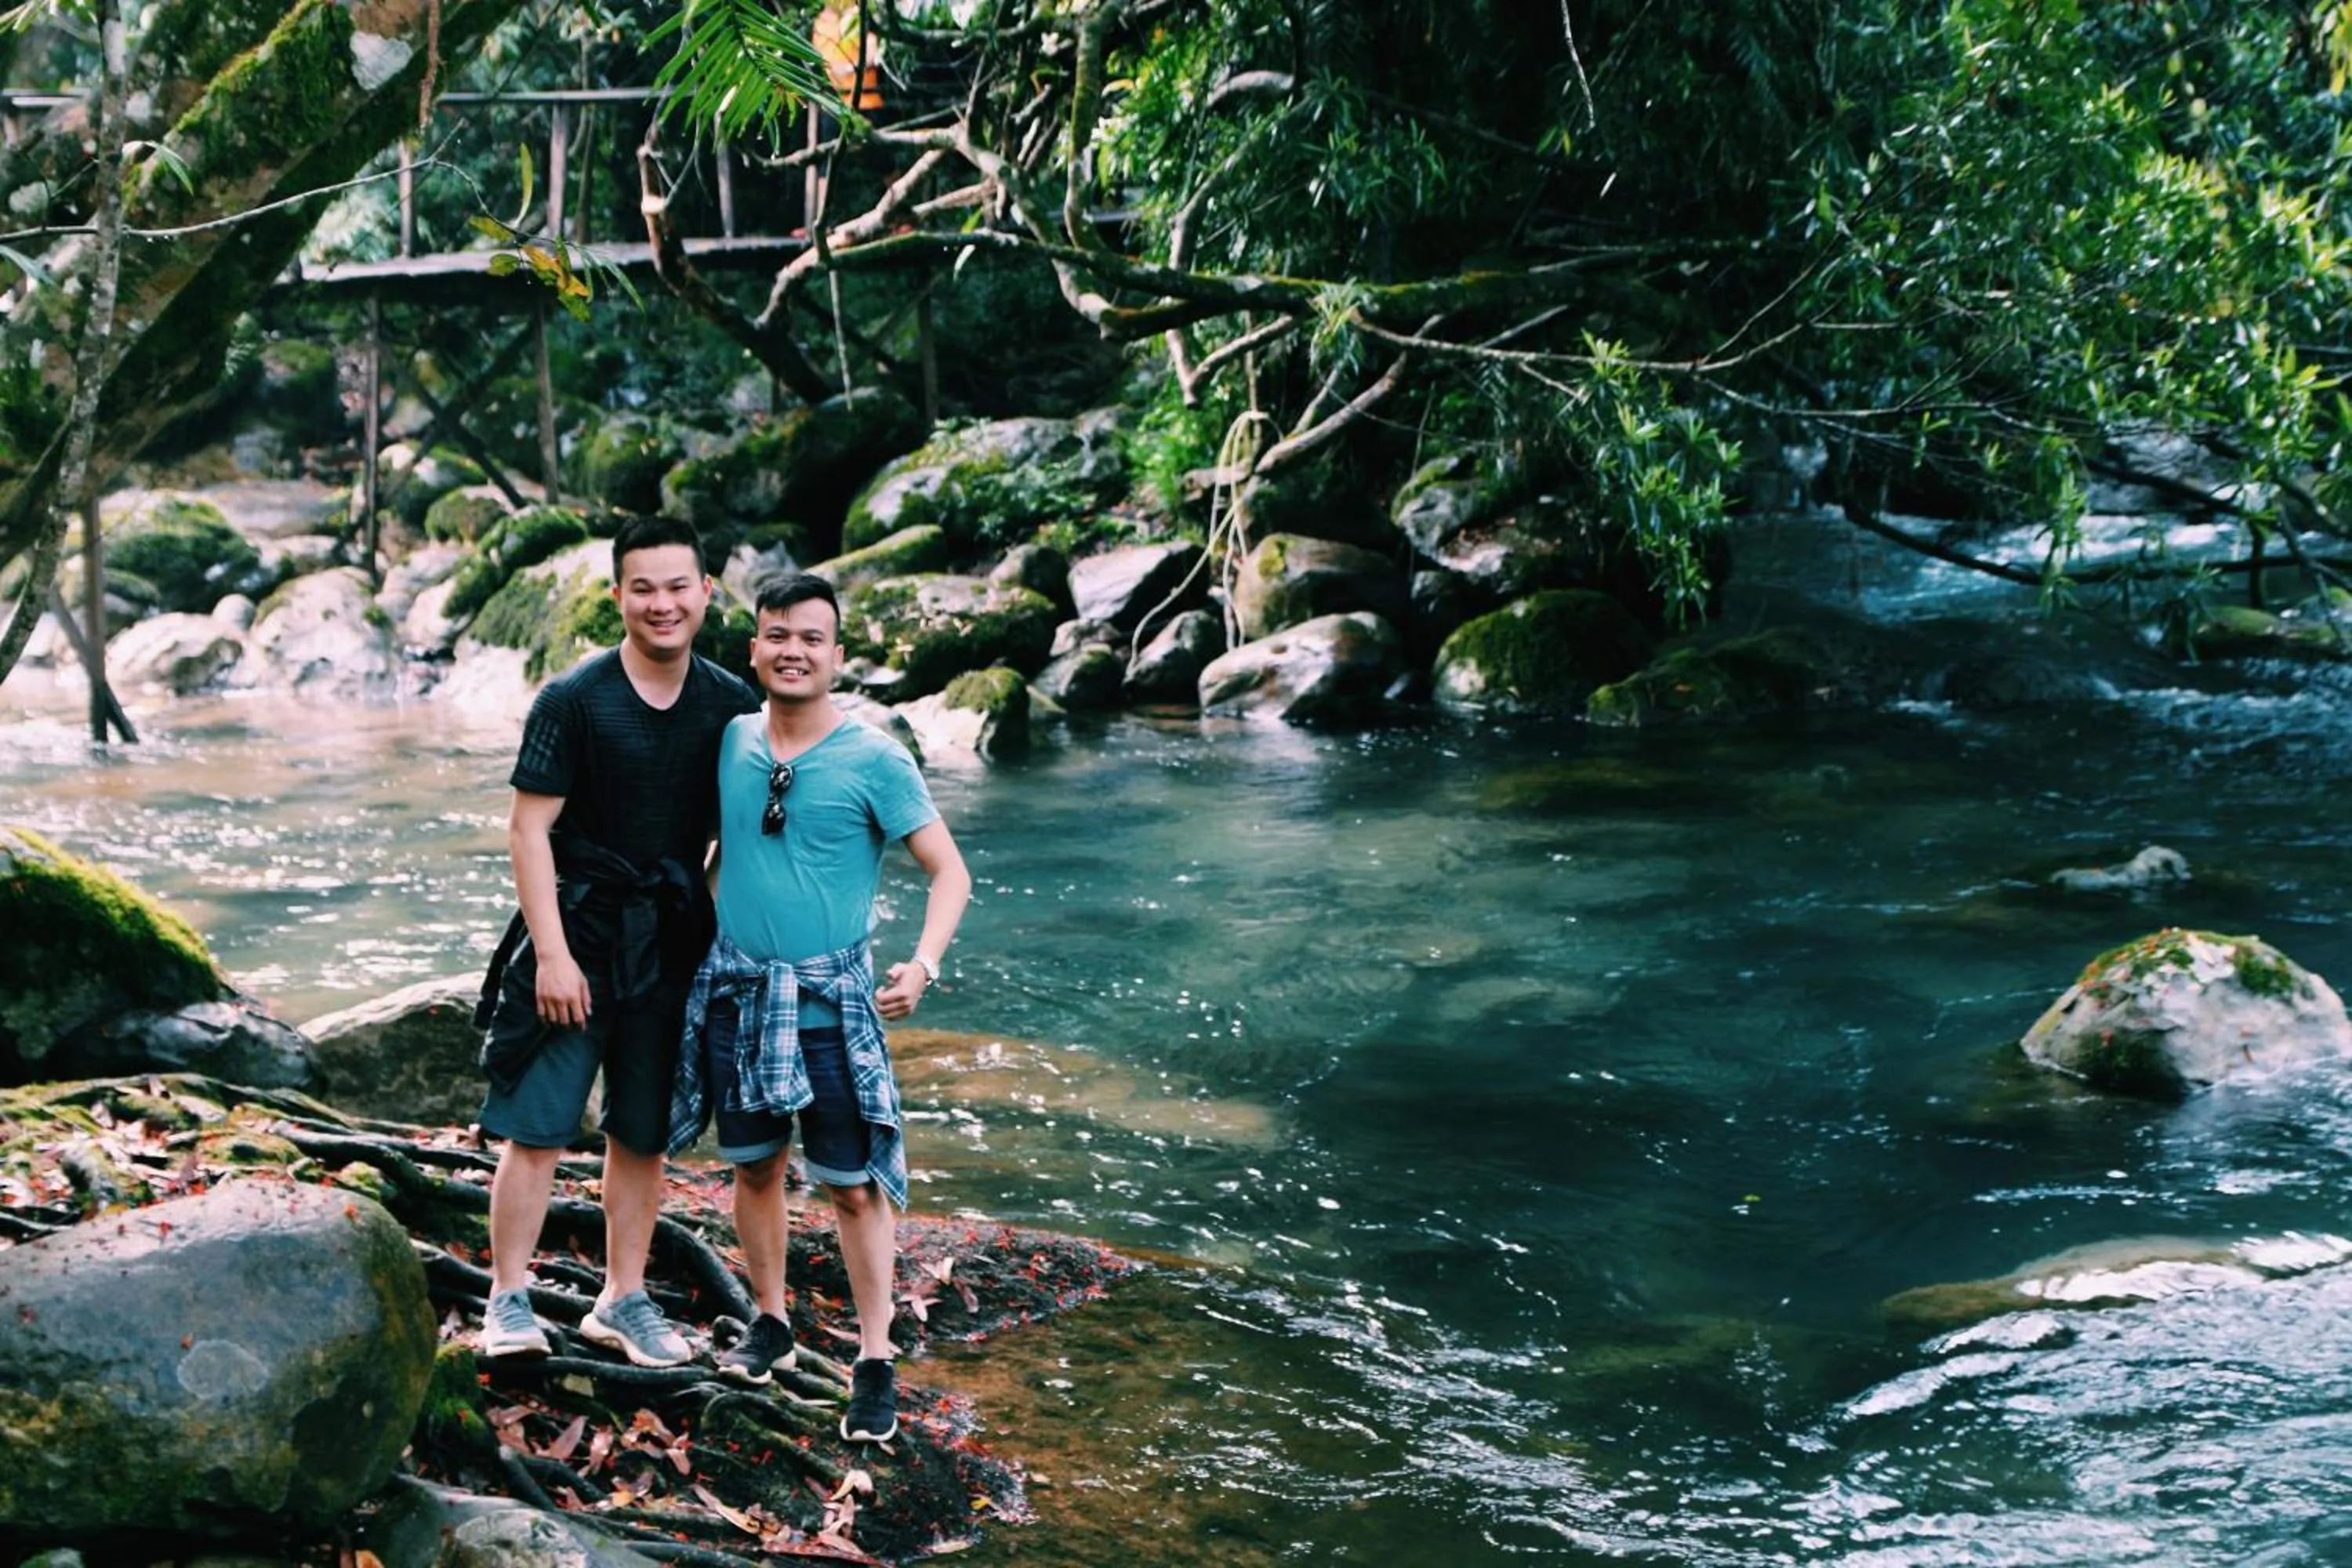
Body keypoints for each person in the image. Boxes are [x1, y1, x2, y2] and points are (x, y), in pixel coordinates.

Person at [668, 572, 971, 1443]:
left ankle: (874, 1357)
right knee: (755, 1166)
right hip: (738, 992)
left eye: (811, 637)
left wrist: (922, 964)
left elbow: (949, 871)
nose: (792, 650)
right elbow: (719, 850)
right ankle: (771, 1319)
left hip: (834, 1001)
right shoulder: (729, 741)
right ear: (754, 647)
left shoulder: (876, 757)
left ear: (837, 655)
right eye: (776, 635)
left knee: (850, 1184)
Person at [473, 516, 760, 1366]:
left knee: (642, 1131)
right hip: (579, 929)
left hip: (667, 945)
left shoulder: (731, 707)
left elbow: (736, 841)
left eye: (679, 586)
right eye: (644, 588)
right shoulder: (574, 698)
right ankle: (507, 1298)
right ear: (617, 597)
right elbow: (528, 830)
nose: (662, 603)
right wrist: (554, 954)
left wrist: (698, 922)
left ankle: (622, 1298)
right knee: (540, 1125)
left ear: (708, 593)